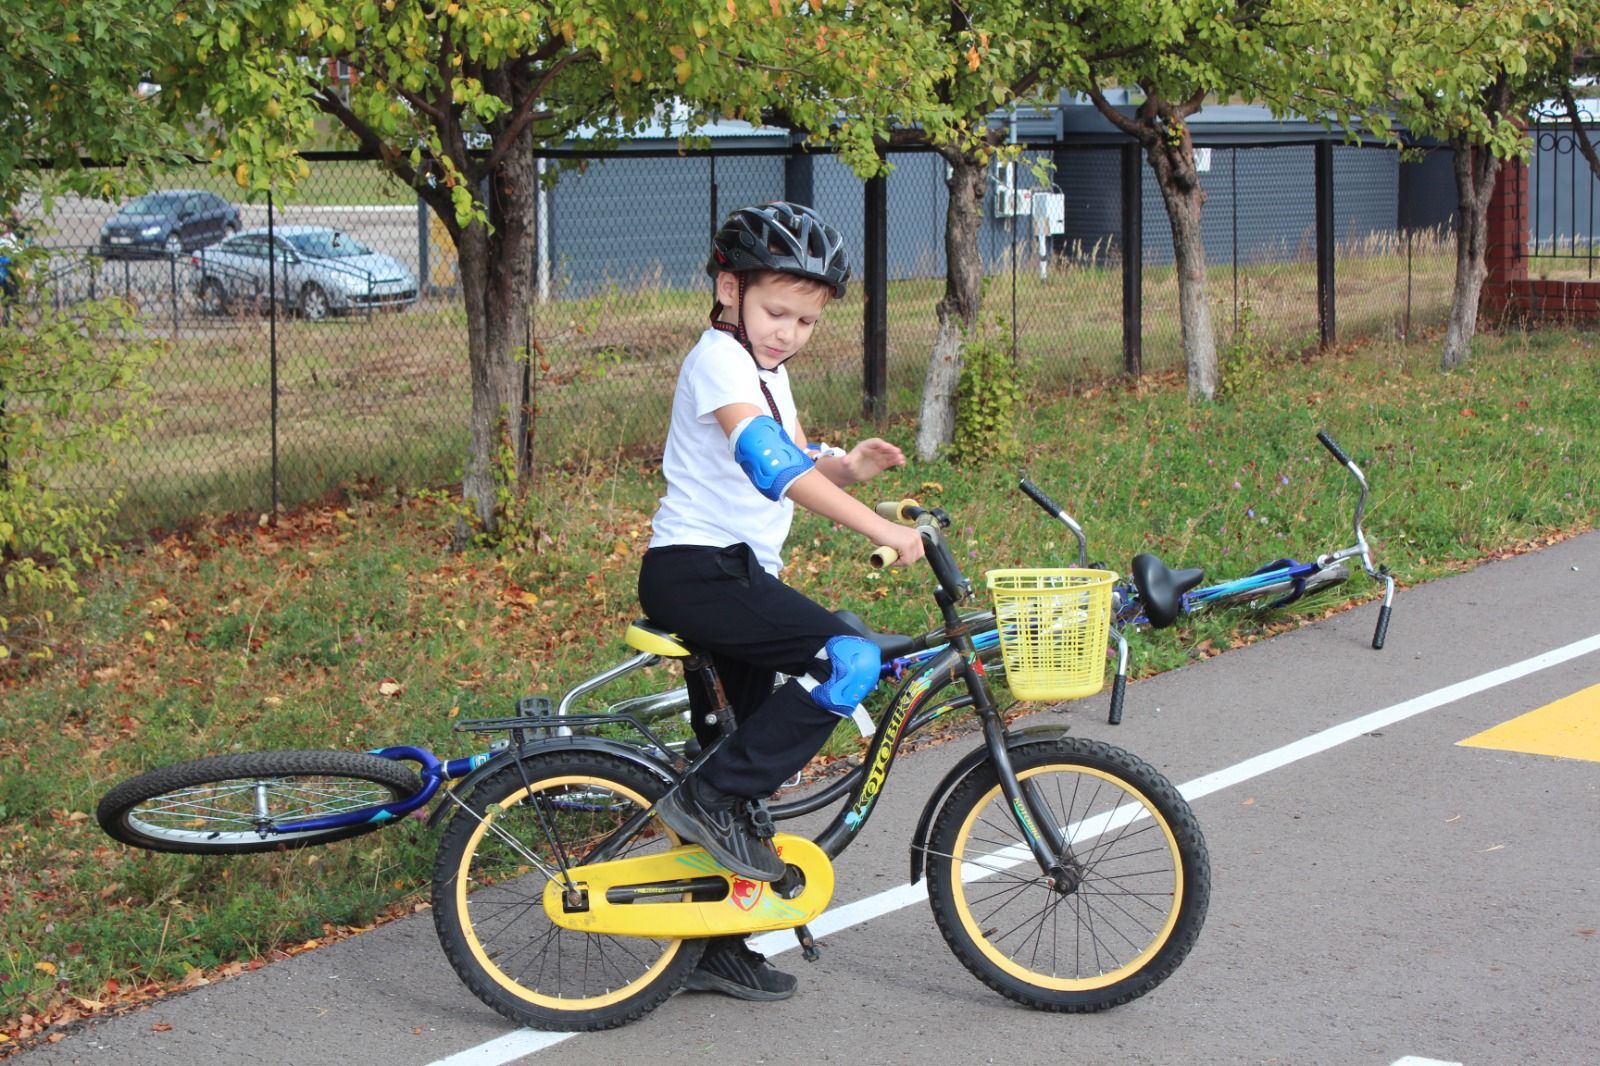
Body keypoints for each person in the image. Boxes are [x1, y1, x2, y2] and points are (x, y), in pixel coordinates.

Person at [638, 201, 924, 1002]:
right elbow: (766, 463)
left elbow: (794, 457)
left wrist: (848, 468)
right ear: (728, 289)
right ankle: (707, 794)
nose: (788, 331)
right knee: (852, 658)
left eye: (804, 320)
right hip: (698, 571)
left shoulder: (766, 370)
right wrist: (874, 525)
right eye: (775, 311)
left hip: (736, 575)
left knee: (743, 761)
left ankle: (713, 943)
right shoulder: (718, 362)